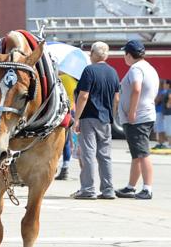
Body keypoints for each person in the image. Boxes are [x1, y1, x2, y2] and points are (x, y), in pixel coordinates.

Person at [69, 42, 120, 199]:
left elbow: (84, 95)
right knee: (105, 155)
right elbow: (116, 98)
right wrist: (112, 114)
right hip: (105, 118)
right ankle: (108, 189)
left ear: (92, 54)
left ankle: (88, 189)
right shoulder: (113, 72)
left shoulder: (89, 70)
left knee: (88, 154)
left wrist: (76, 118)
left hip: (89, 117)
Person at [115, 40, 159, 200]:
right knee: (136, 153)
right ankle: (131, 186)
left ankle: (147, 188)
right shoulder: (149, 68)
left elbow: (136, 88)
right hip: (144, 115)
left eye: (124, 53)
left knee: (142, 153)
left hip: (138, 118)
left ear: (128, 54)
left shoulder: (136, 69)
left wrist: (132, 111)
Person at [55, 71, 79, 181]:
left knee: (57, 139)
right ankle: (65, 166)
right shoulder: (75, 81)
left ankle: (54, 165)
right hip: (73, 111)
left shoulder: (61, 78)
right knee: (68, 141)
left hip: (61, 111)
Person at [152, 79, 170, 149]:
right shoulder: (160, 92)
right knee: (159, 128)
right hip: (158, 112)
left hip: (160, 112)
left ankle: (162, 143)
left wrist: (155, 100)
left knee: (160, 128)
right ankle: (161, 143)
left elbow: (156, 101)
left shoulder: (163, 92)